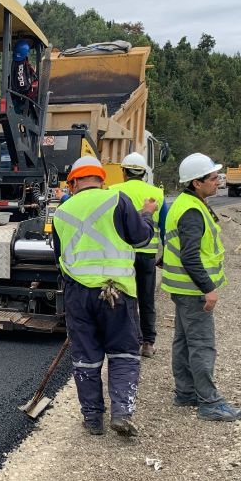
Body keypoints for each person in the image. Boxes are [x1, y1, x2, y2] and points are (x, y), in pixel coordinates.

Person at [52, 155, 157, 437]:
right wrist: (146, 216)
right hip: (116, 292)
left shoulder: (60, 213)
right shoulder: (117, 200)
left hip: (77, 295)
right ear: (102, 179)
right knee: (123, 352)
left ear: (72, 183)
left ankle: (92, 419)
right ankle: (121, 412)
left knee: (86, 356)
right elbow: (141, 238)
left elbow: (58, 256)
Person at [161, 153, 241, 422]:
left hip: (183, 289)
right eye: (212, 178)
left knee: (184, 341)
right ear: (196, 183)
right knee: (202, 344)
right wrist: (208, 288)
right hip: (193, 290)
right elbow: (190, 255)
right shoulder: (192, 211)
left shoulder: (187, 204)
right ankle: (209, 402)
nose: (217, 182)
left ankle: (185, 392)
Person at [109, 152, 167, 357]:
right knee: (146, 298)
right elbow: (165, 226)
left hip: (123, 257)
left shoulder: (112, 191)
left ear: (123, 171)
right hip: (147, 256)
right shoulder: (157, 194)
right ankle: (148, 343)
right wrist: (166, 253)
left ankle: (130, 340)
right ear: (143, 173)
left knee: (126, 298)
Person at [10, 39, 38, 116]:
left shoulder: (15, 63)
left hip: (17, 96)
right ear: (25, 53)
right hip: (22, 98)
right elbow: (23, 86)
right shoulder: (20, 65)